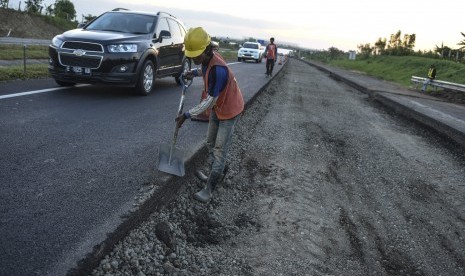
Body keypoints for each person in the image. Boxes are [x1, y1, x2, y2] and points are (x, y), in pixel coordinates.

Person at [175, 27, 245, 203]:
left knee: (220, 150)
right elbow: (205, 70)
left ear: (206, 50)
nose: (193, 59)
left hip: (229, 110)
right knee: (209, 143)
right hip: (219, 107)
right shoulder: (207, 58)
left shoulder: (219, 71)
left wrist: (187, 115)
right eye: (191, 55)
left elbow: (209, 102)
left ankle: (209, 189)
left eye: (195, 56)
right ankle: (219, 169)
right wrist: (194, 73)